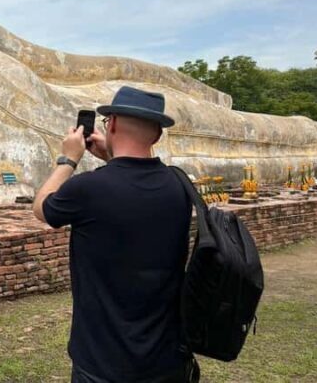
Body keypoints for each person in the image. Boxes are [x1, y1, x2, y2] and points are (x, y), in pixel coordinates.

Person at [33, 86, 199, 382]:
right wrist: (112, 159)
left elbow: (42, 208)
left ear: (113, 124)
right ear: (158, 135)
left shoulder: (89, 188)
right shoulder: (179, 186)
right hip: (167, 358)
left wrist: (68, 159)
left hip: (103, 361)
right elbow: (133, 190)